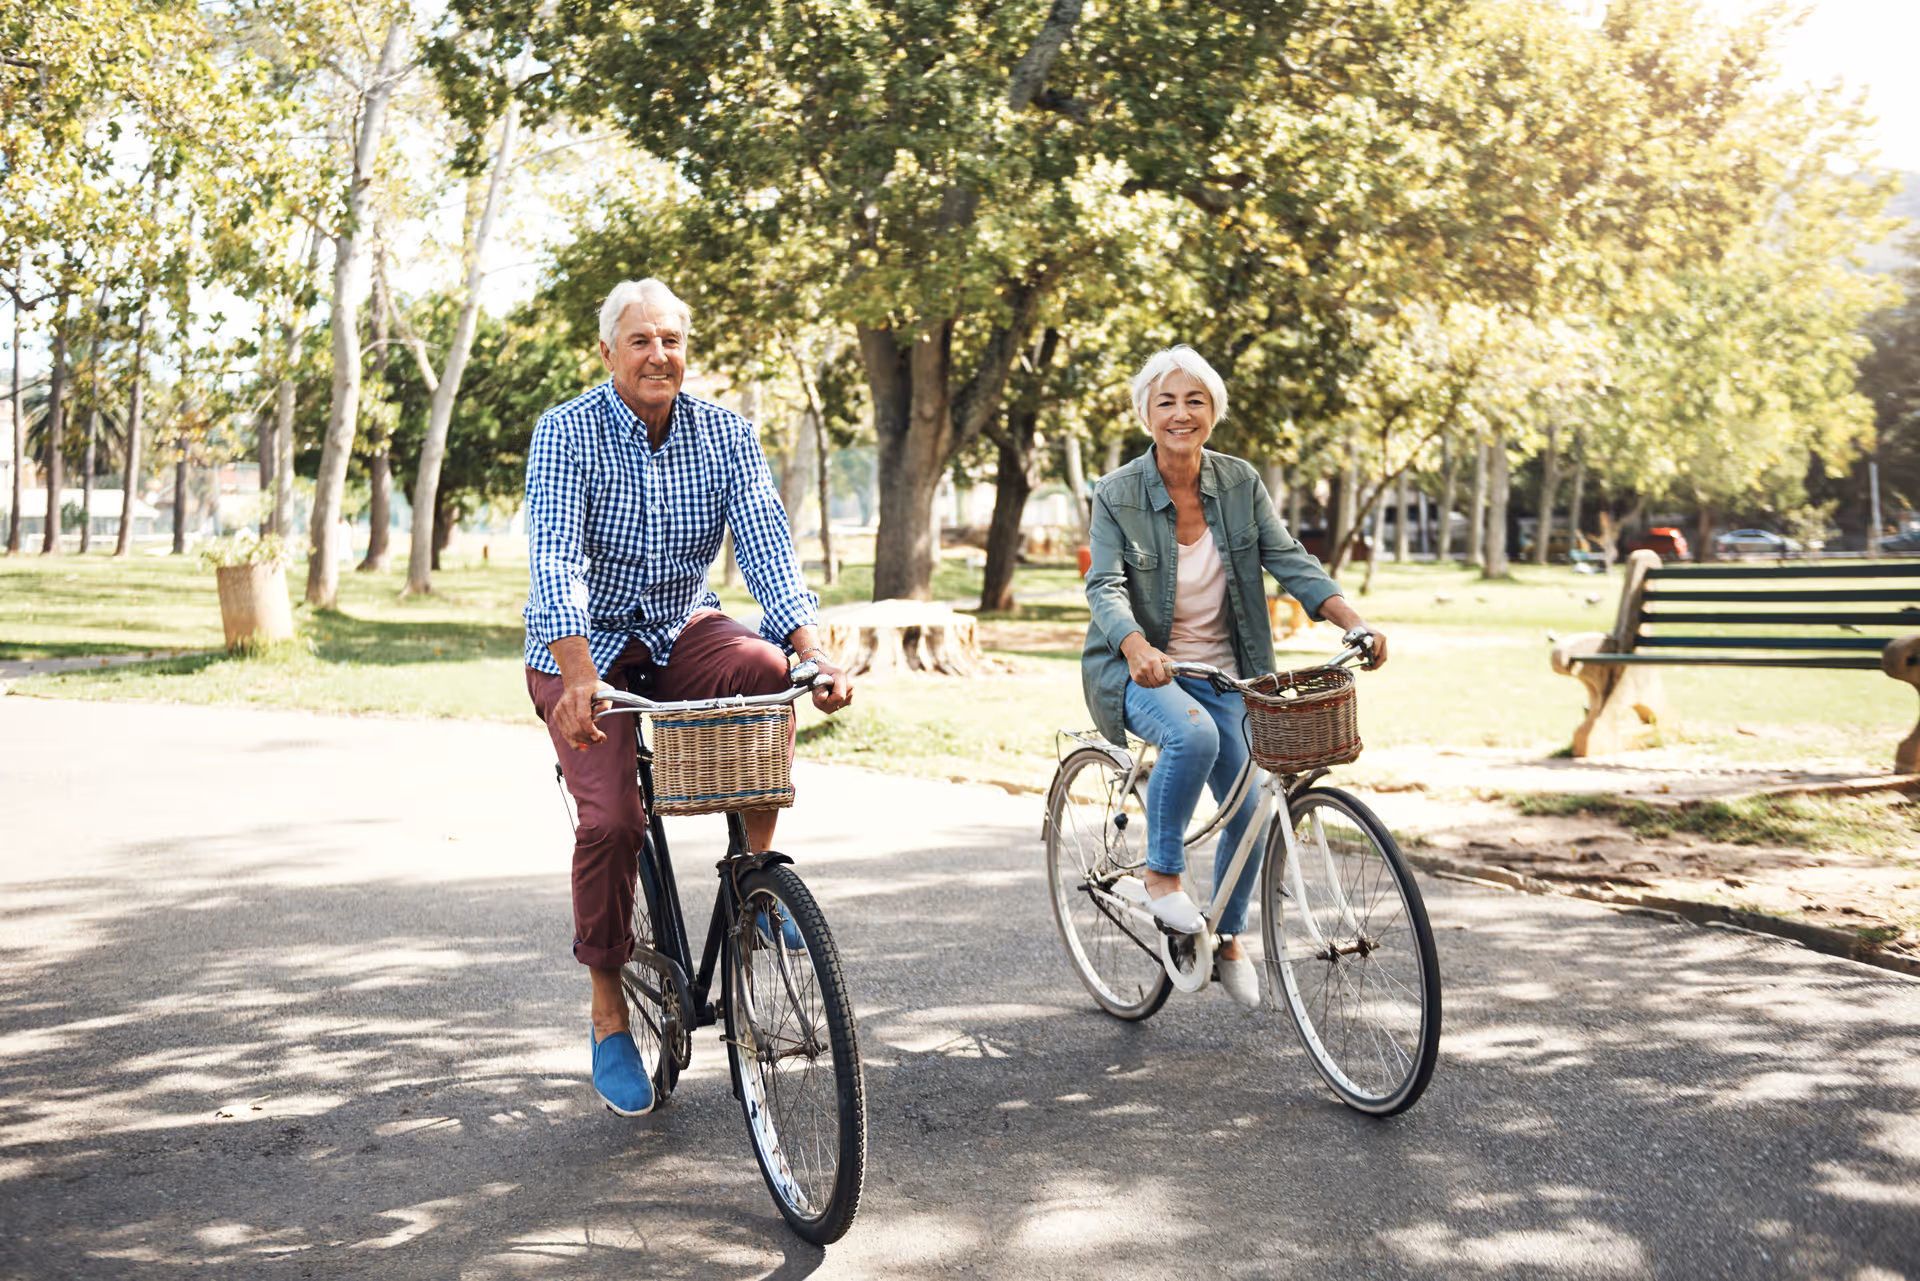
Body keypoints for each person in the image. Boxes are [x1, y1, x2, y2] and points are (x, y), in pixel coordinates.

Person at [523, 277, 853, 1116]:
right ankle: (606, 1018)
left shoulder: (726, 434)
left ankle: (753, 879)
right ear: (607, 353)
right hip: (583, 653)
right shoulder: (566, 432)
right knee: (613, 821)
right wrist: (575, 672)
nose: (658, 354)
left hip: (678, 629)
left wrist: (810, 653)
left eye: (671, 339)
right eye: (639, 340)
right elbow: (555, 563)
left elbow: (769, 551)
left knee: (762, 667)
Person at [1081, 345, 1387, 1008]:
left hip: (1226, 674)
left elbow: (1290, 558)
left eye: (1195, 400)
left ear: (1213, 410)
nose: (1181, 413)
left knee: (1253, 800)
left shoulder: (1240, 482)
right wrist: (1135, 644)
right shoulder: (1117, 492)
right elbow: (1103, 584)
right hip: (1145, 668)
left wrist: (1351, 620)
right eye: (1166, 401)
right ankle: (1164, 877)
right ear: (1146, 414)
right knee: (1192, 738)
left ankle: (1225, 937)